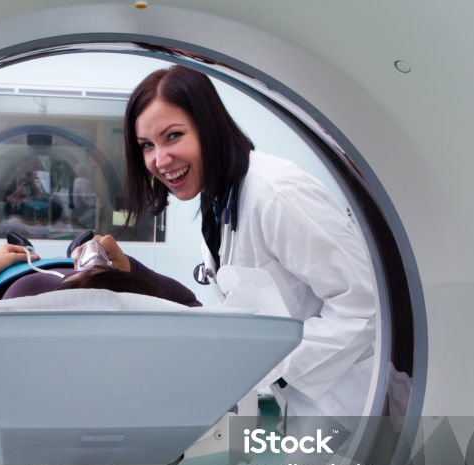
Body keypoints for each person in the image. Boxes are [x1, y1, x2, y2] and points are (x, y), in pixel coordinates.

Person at [122, 65, 376, 420]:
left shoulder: (276, 193)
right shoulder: (220, 202)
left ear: (209, 128)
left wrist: (273, 365)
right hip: (308, 404)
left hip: (350, 403)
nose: (159, 160)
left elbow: (364, 305)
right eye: (147, 145)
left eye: (174, 136)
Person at [0, 236, 201, 307]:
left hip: (15, 275)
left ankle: (28, 247)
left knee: (20, 249)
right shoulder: (137, 307)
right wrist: (131, 269)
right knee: (82, 247)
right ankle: (75, 248)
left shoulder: (22, 298)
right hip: (111, 281)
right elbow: (190, 303)